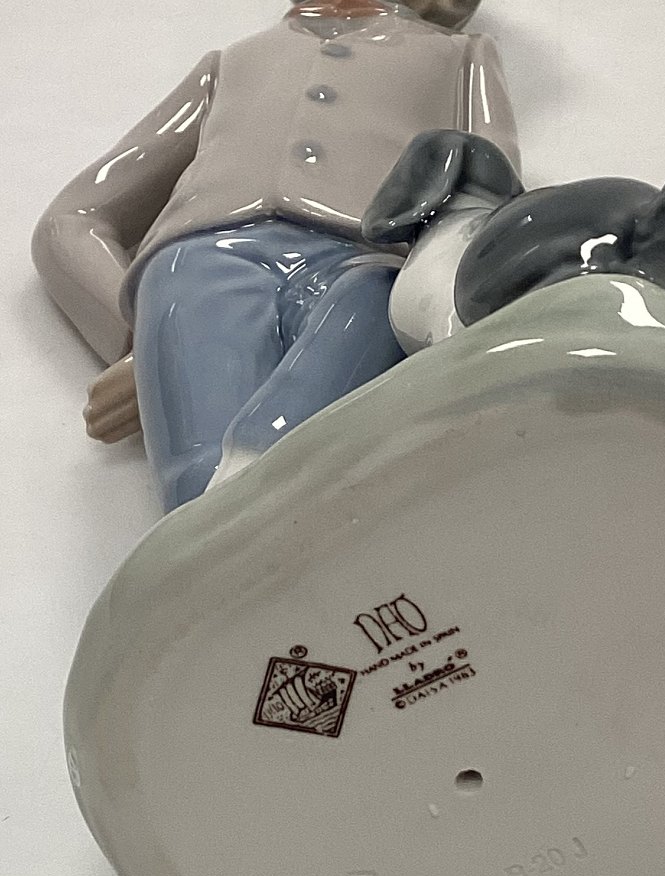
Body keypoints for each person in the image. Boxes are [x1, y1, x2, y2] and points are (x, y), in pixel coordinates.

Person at [32, 0, 520, 511]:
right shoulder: (231, 62)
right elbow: (70, 220)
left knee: (373, 320)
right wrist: (143, 342)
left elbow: (488, 191)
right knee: (197, 482)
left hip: (372, 260)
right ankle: (214, 531)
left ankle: (234, 516)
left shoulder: (461, 55)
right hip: (202, 260)